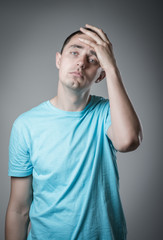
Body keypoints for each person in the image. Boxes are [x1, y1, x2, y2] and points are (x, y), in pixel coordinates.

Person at [5, 24, 143, 240]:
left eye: (93, 59)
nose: (81, 62)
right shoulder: (25, 126)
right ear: (59, 60)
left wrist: (112, 67)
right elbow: (18, 210)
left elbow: (128, 141)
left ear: (100, 75)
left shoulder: (108, 113)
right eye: (74, 52)